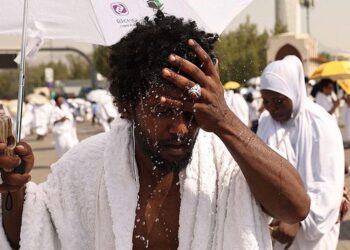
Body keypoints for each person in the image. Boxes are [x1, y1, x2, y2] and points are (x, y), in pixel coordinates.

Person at [0, 12, 309, 250]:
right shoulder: (86, 166)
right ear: (128, 105)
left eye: (189, 113)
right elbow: (33, 233)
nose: (179, 128)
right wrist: (14, 188)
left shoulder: (226, 167)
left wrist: (226, 119)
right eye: (163, 112)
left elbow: (295, 208)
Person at [257, 56, 344, 250]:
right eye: (267, 102)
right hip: (274, 230)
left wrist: (299, 219)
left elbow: (328, 184)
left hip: (312, 234)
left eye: (278, 101)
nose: (272, 108)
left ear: (293, 91)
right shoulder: (266, 122)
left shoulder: (319, 122)